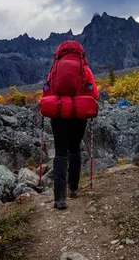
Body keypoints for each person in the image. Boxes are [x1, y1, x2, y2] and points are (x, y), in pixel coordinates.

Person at [41, 40, 99, 210]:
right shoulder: (85, 69)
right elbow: (94, 93)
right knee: (74, 148)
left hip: (58, 113)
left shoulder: (55, 68)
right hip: (78, 114)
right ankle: (73, 188)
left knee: (60, 151)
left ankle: (60, 198)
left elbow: (46, 91)